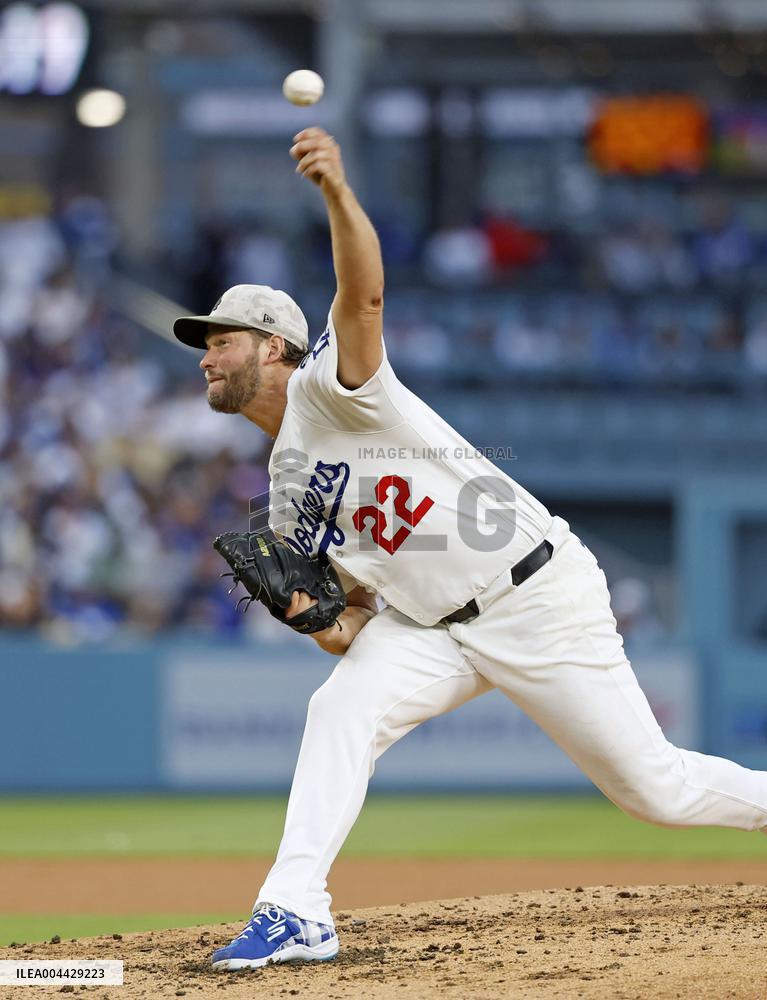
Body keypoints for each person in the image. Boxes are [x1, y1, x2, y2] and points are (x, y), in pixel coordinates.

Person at [172, 127, 767, 972]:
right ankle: (296, 910)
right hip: (431, 629)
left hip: (534, 594)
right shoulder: (286, 489)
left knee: (654, 791)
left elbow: (364, 298)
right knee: (338, 708)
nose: (205, 356)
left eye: (219, 339)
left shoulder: (330, 388)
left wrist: (337, 191)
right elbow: (352, 621)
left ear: (272, 345)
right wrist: (307, 614)